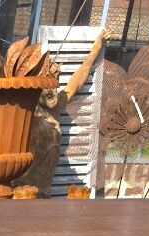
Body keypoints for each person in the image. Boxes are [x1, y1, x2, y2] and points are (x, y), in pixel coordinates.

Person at [14, 26, 108, 197]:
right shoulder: (26, 107)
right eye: (46, 84)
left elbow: (76, 83)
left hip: (43, 195)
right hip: (21, 194)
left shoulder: (55, 105)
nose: (52, 90)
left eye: (55, 81)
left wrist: (97, 47)